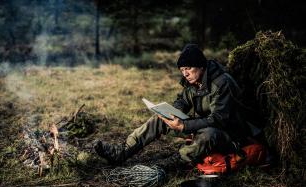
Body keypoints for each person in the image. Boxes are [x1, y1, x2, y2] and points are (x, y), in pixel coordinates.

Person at [93, 44, 253, 168]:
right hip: (206, 126)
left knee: (209, 134)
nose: (185, 73)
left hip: (232, 136)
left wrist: (184, 125)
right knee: (159, 119)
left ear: (201, 66)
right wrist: (171, 113)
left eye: (188, 68)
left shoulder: (222, 83)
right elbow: (182, 101)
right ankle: (121, 152)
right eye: (182, 70)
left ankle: (174, 163)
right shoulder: (193, 82)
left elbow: (219, 120)